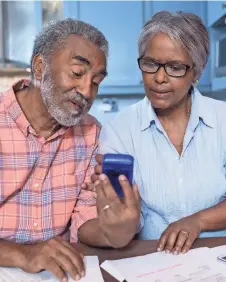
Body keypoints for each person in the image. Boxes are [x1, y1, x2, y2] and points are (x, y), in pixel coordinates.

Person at [88, 11, 226, 256]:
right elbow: (125, 220)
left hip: (224, 257)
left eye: (174, 67)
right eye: (150, 64)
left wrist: (197, 221)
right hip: (154, 258)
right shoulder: (120, 130)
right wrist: (119, 214)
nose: (159, 78)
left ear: (197, 71)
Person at [0, 18, 140, 282]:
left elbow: (85, 222)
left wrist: (114, 230)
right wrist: (21, 255)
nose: (87, 91)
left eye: (97, 81)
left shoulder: (91, 134)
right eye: (77, 73)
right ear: (40, 67)